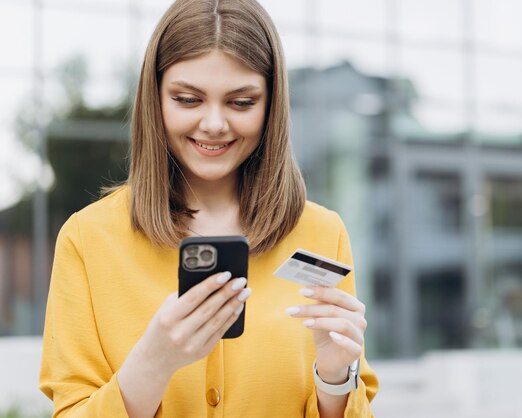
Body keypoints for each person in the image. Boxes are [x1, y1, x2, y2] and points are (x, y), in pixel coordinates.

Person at [39, 0, 378, 417]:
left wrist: (333, 376)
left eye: (241, 103)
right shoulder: (88, 240)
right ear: (155, 99)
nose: (215, 124)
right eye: (187, 99)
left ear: (271, 105)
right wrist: (153, 361)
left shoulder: (322, 233)